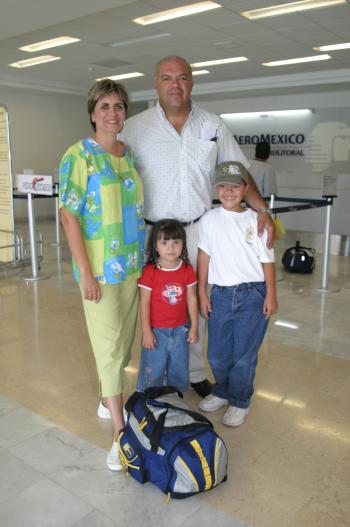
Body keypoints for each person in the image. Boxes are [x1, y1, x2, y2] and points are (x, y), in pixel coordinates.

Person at [121, 55, 275, 398]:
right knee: (153, 301)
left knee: (195, 302)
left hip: (198, 231)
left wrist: (262, 209)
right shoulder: (134, 127)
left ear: (192, 82)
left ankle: (191, 373)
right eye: (166, 78)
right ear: (156, 84)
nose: (175, 85)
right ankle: (153, 373)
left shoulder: (213, 125)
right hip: (151, 233)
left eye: (182, 77)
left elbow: (237, 170)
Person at [59, 79, 145, 471]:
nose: (113, 113)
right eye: (105, 106)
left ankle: (105, 394)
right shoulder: (79, 156)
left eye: (119, 106)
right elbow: (69, 215)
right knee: (109, 348)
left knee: (124, 343)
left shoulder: (129, 156)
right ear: (92, 112)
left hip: (131, 265)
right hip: (99, 272)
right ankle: (119, 432)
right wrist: (86, 273)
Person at [197, 161, 278, 427]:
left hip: (252, 294)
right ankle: (222, 391)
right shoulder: (209, 219)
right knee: (218, 353)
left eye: (235, 185)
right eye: (222, 186)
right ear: (216, 189)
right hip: (220, 294)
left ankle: (240, 400)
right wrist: (202, 291)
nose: (228, 191)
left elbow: (267, 262)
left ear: (245, 189)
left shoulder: (257, 220)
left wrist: (270, 295)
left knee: (243, 354)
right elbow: (204, 258)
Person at [136, 219, 199, 392]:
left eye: (176, 242)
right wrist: (147, 332)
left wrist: (194, 327)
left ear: (183, 244)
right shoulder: (150, 272)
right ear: (155, 246)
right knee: (153, 369)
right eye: (164, 242)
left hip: (180, 330)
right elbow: (144, 302)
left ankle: (175, 399)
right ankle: (148, 398)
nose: (171, 248)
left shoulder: (187, 269)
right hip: (156, 332)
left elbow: (191, 298)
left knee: (179, 370)